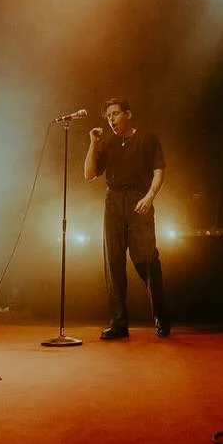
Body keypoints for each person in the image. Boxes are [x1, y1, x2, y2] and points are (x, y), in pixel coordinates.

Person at [84, 97, 171, 339]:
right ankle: (119, 323)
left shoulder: (146, 139)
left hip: (138, 200)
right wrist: (92, 143)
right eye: (108, 116)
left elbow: (158, 170)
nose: (111, 119)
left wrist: (150, 196)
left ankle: (161, 316)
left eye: (115, 113)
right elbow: (89, 174)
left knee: (146, 260)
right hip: (113, 202)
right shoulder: (107, 143)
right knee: (113, 263)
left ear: (128, 114)